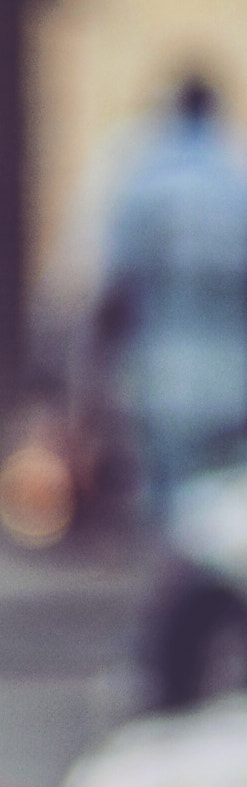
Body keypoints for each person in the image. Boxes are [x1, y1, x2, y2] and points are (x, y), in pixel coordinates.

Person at [92, 75, 247, 520]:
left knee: (164, 509)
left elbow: (115, 288)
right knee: (218, 509)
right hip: (232, 383)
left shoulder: (143, 184)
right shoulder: (236, 183)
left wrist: (97, 372)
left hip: (158, 380)